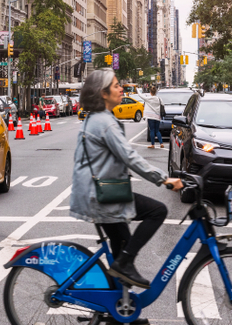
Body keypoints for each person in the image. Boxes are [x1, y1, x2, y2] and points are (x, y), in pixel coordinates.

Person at [71, 69, 183, 294]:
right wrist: (163, 179)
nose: (121, 88)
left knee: (121, 249)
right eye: (115, 86)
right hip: (102, 196)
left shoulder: (99, 118)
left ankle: (122, 310)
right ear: (103, 94)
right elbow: (129, 157)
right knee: (157, 211)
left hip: (99, 192)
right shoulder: (105, 122)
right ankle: (124, 267)